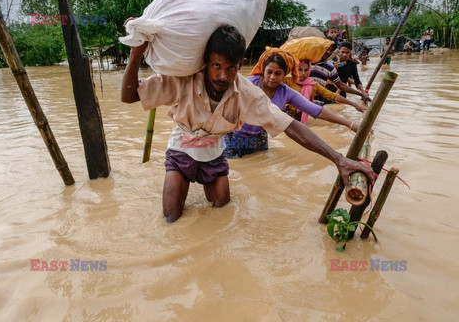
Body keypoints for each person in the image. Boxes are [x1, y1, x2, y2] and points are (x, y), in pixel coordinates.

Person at [121, 24, 374, 222]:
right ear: (206, 62)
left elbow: (290, 126)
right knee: (172, 219)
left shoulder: (247, 93)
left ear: (240, 65)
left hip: (215, 155)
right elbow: (129, 96)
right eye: (216, 66)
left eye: (230, 68)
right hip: (181, 151)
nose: (222, 75)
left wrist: (338, 158)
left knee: (223, 211)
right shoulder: (181, 79)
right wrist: (136, 53)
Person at [223, 49, 363, 159]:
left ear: (285, 75)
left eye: (278, 74)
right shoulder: (248, 83)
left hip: (259, 138)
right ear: (263, 70)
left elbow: (315, 110)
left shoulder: (286, 92)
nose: (272, 77)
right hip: (235, 136)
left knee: (261, 166)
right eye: (269, 72)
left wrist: (349, 124)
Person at [284, 59, 366, 125]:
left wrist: (354, 104)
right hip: (287, 117)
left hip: (304, 119)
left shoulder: (314, 85)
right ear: (295, 70)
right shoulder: (288, 81)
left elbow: (333, 96)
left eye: (306, 70)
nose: (303, 73)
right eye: (300, 70)